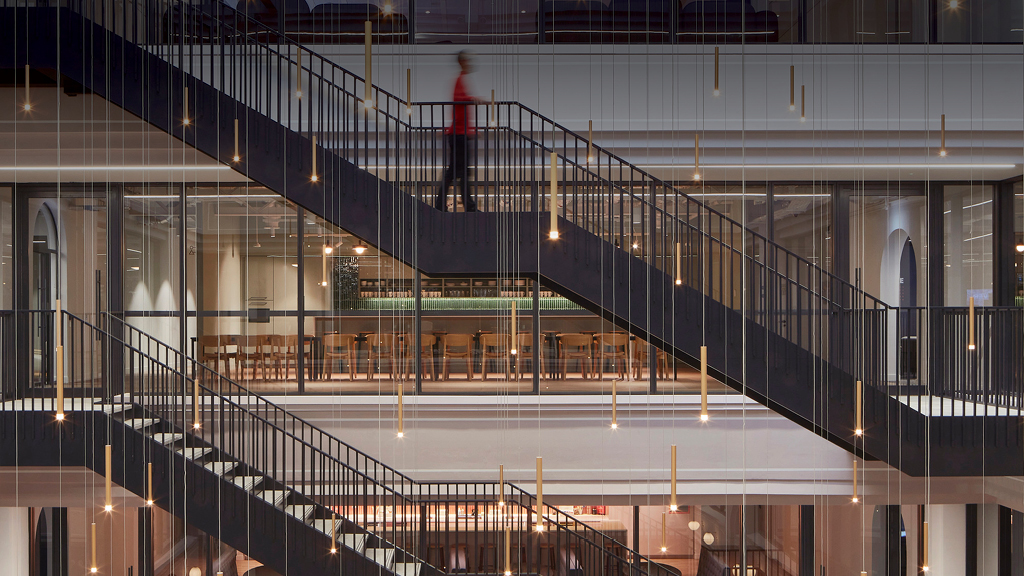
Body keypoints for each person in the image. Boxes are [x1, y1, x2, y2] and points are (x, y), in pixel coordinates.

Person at [434, 50, 486, 212]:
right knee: (459, 173)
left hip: (459, 133)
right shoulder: (459, 80)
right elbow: (459, 102)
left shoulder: (461, 80)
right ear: (462, 61)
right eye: (467, 60)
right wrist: (473, 99)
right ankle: (466, 206)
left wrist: (471, 129)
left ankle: (454, 205)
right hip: (458, 134)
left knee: (458, 172)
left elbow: (460, 110)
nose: (470, 63)